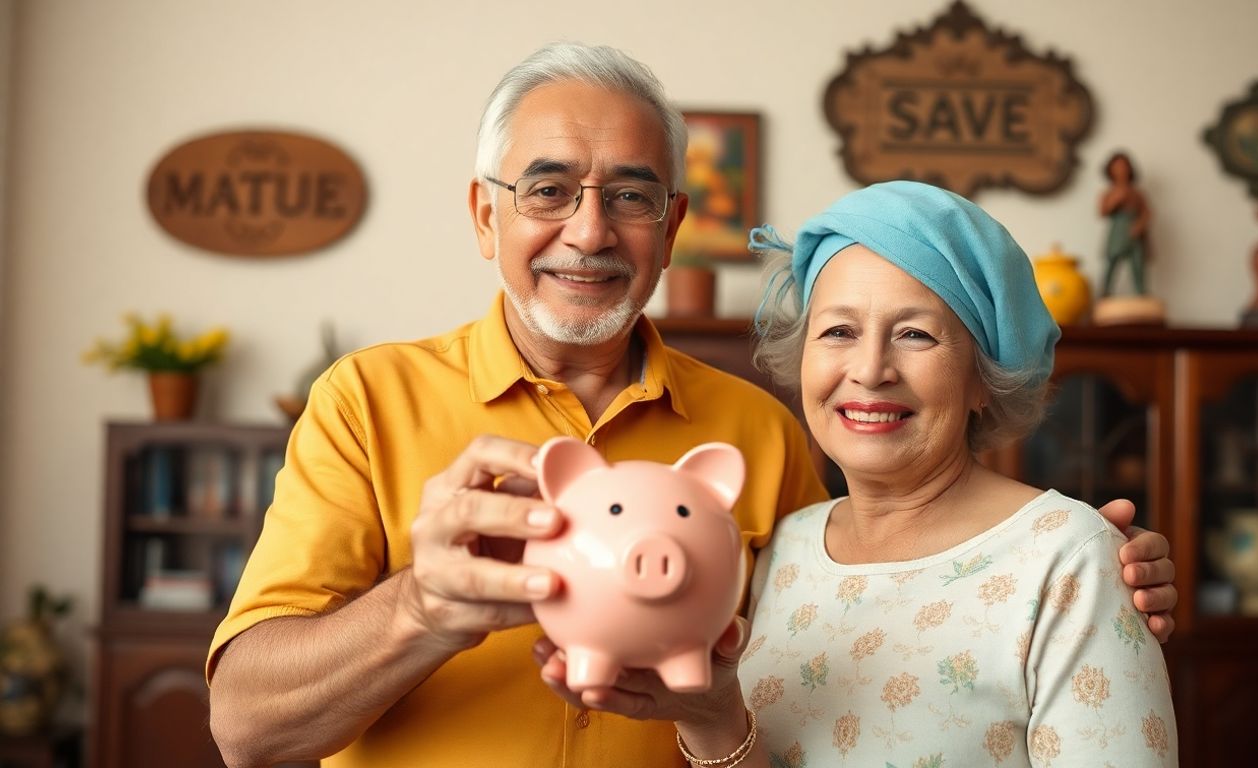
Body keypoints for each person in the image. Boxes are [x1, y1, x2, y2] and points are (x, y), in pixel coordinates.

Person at [206, 43, 1178, 767]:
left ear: (672, 226)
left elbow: (861, 600)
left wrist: (1096, 572)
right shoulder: (365, 403)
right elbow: (246, 729)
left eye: (630, 196)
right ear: (483, 212)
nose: (588, 231)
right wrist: (418, 606)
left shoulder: (759, 432)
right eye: (548, 189)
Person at [536, 181, 1178, 766]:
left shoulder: (1070, 558)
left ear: (985, 375)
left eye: (916, 335)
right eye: (839, 330)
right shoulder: (779, 549)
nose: (870, 369)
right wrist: (712, 718)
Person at [1098, 151, 1152, 297]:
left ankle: (1141, 291)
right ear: (1111, 170)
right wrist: (1116, 199)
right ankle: (1105, 292)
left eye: (1124, 166)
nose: (1121, 170)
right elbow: (1103, 212)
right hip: (1118, 229)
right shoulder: (1109, 192)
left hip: (1134, 230)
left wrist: (1140, 225)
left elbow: (1147, 212)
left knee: (1137, 263)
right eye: (1117, 166)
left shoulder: (1137, 193)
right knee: (1113, 260)